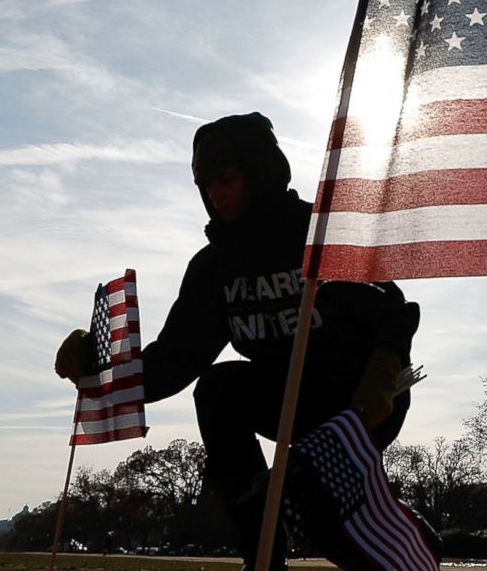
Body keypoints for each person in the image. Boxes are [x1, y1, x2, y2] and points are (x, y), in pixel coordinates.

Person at [55, 112, 421, 570]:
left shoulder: (321, 234)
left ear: (259, 173)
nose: (215, 195)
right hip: (286, 401)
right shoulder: (214, 268)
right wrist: (100, 367)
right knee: (218, 388)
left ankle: (410, 546)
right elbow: (174, 361)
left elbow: (395, 312)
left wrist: (383, 376)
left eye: (226, 179)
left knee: (320, 516)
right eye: (206, 185)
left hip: (359, 400)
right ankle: (262, 559)